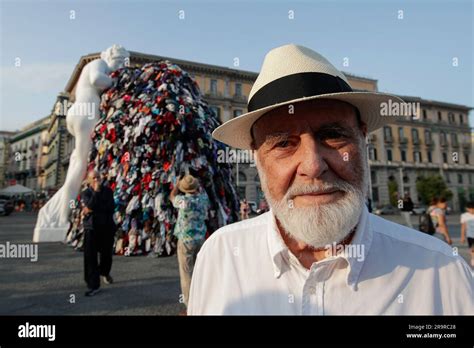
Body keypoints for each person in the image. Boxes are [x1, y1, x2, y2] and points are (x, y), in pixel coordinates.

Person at [187, 44, 473, 315]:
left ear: (363, 140)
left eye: (333, 135)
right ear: (257, 156)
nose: (313, 166)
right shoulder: (219, 257)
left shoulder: (442, 272)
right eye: (284, 143)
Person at [170, 174, 210, 309]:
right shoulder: (203, 199)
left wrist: (176, 186)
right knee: (201, 270)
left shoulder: (182, 201)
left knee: (186, 272)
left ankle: (190, 304)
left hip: (186, 240)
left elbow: (171, 197)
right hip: (201, 239)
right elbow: (203, 192)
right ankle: (203, 299)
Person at [81, 170, 116, 297]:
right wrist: (95, 193)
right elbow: (89, 205)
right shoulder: (86, 193)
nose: (96, 180)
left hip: (106, 227)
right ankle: (93, 285)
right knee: (90, 257)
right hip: (91, 228)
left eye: (98, 177)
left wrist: (91, 208)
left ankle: (105, 272)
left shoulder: (108, 191)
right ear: (89, 180)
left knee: (106, 254)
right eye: (94, 178)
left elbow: (110, 208)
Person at [460, 201, 474, 267]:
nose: (472, 210)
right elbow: (463, 227)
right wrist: (462, 236)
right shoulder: (464, 216)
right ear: (467, 209)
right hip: (470, 235)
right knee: (472, 248)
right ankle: (473, 258)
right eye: (470, 208)